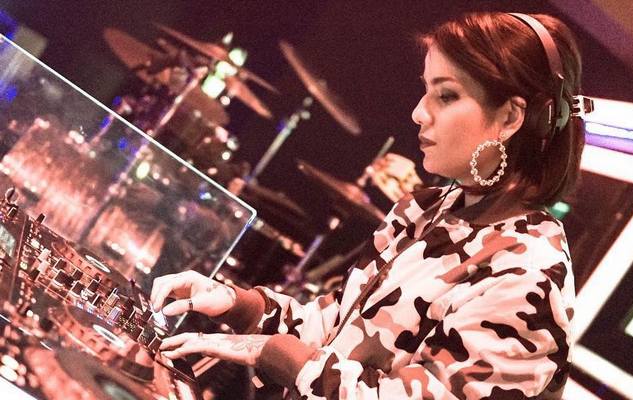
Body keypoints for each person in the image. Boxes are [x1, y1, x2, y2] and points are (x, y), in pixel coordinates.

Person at [151, 11, 591, 399]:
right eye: (426, 91)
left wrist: (279, 355)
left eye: (446, 95)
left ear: (510, 117)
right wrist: (237, 303)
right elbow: (338, 332)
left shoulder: (528, 273)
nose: (419, 113)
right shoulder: (424, 210)